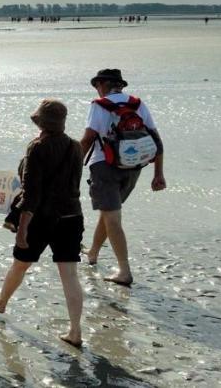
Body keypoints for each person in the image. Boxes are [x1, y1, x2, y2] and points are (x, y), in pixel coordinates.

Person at [0, 99, 85, 348]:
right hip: (72, 215)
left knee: (20, 265)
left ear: (40, 123)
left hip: (41, 218)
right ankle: (75, 331)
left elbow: (31, 195)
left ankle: (1, 301)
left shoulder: (37, 147)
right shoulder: (75, 146)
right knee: (70, 275)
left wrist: (22, 229)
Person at [80, 69, 166, 287]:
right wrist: (158, 174)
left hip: (105, 166)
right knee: (109, 212)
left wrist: (72, 165)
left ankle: (124, 271)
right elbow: (156, 139)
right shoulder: (137, 104)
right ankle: (93, 253)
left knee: (112, 218)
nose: (96, 90)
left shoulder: (99, 105)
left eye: (96, 85)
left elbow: (89, 138)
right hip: (134, 166)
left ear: (102, 84)